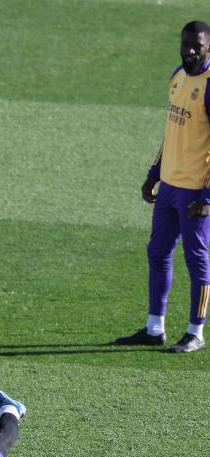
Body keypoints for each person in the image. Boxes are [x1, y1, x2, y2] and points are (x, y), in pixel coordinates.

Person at [115, 21, 210, 353]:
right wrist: (154, 172)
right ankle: (155, 328)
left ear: (208, 46)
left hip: (195, 190)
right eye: (185, 44)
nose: (190, 50)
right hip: (169, 185)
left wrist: (207, 197)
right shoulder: (177, 77)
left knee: (197, 259)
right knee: (157, 252)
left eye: (197, 45)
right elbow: (172, 130)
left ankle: (195, 332)